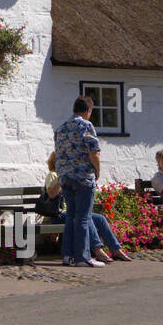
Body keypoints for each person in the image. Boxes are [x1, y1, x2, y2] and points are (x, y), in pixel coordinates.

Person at [43, 151, 132, 264]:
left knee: (100, 218)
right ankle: (97, 250)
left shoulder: (72, 175)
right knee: (85, 217)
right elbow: (51, 194)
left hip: (72, 212)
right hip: (59, 214)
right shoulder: (53, 174)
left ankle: (116, 249)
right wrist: (62, 177)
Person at [53, 97, 104, 267]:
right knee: (82, 218)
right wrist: (97, 170)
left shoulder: (61, 128)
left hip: (65, 177)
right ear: (88, 111)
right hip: (82, 177)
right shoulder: (86, 125)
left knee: (71, 218)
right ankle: (83, 257)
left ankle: (67, 256)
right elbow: (94, 152)